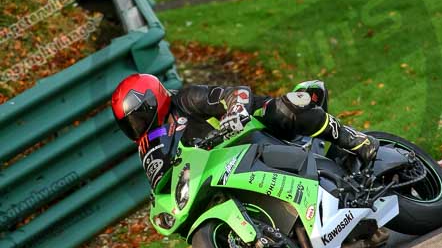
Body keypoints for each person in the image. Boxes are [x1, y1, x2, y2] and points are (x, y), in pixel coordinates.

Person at [111, 73, 379, 190]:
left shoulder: (185, 99)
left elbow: (233, 93)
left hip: (254, 129)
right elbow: (161, 181)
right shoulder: (150, 145)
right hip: (224, 167)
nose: (137, 127)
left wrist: (233, 112)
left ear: (152, 100)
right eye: (129, 124)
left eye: (138, 118)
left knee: (285, 109)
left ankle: (351, 138)